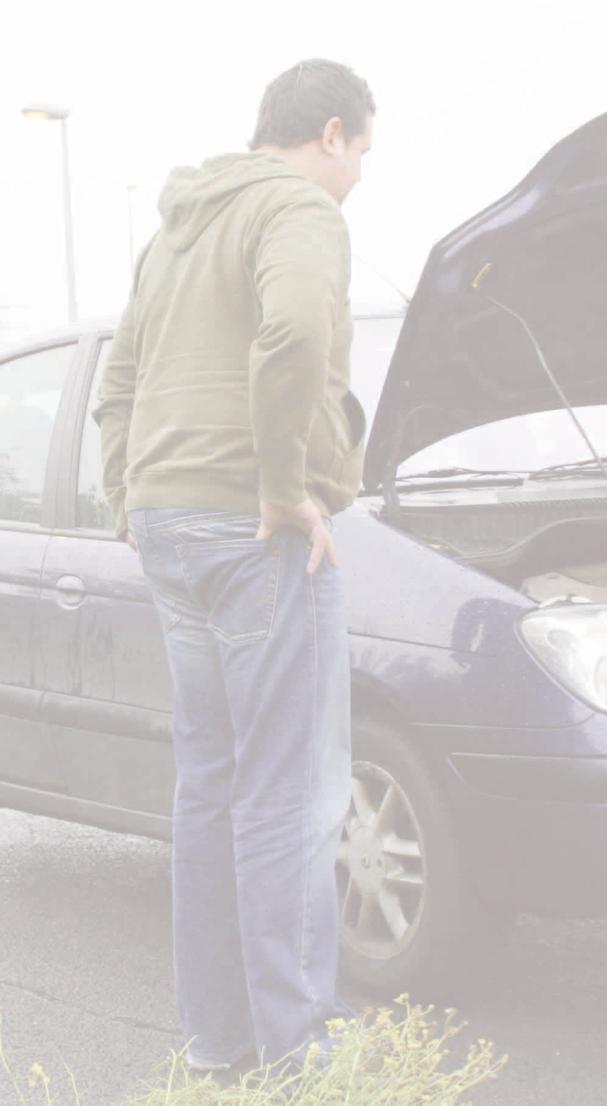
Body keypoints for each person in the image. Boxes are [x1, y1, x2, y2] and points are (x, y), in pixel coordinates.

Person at [94, 58, 374, 1070]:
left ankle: (220, 1041)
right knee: (291, 793)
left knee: (210, 785)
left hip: (171, 522)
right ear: (331, 133)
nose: (356, 178)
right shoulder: (298, 211)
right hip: (251, 529)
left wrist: (130, 491)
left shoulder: (179, 228)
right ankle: (302, 1049)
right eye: (361, 155)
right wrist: (280, 481)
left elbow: (118, 374)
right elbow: (294, 330)